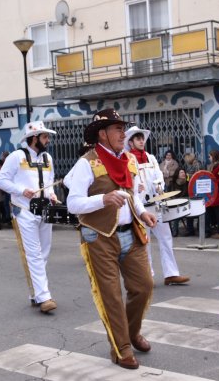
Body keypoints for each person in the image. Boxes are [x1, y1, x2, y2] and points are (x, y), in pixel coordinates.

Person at [66, 109, 157, 370]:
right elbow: (73, 204)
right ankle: (122, 348)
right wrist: (102, 199)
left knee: (144, 286)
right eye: (117, 129)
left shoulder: (128, 159)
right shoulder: (87, 162)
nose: (123, 133)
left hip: (131, 232)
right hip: (99, 236)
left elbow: (132, 194)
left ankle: (131, 331)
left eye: (122, 128)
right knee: (112, 296)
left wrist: (142, 212)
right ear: (102, 134)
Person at [0, 120, 59, 313]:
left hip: (44, 208)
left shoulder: (47, 158)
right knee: (34, 253)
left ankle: (35, 293)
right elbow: (1, 181)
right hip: (24, 210)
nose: (48, 140)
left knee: (44, 252)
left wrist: (52, 195)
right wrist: (22, 190)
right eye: (44, 136)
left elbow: (48, 181)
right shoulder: (17, 156)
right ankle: (44, 296)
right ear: (34, 138)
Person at [125, 126, 190, 286]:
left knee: (166, 237)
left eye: (142, 138)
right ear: (131, 142)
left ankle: (171, 273)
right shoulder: (127, 159)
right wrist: (137, 187)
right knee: (144, 241)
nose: (141, 141)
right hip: (141, 206)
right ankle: (148, 275)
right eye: (137, 138)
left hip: (156, 203)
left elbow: (158, 175)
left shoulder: (151, 158)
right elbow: (128, 180)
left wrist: (158, 184)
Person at [207, 150, 219, 239]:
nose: (209, 158)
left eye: (210, 156)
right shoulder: (213, 166)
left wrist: (214, 181)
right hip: (215, 193)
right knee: (217, 214)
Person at [168, 167, 189, 237]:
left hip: (184, 204)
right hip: (173, 204)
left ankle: (177, 231)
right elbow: (168, 194)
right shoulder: (172, 184)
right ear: (177, 174)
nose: (183, 174)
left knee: (177, 211)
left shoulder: (188, 184)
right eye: (181, 172)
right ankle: (173, 231)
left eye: (184, 172)